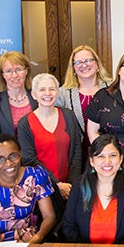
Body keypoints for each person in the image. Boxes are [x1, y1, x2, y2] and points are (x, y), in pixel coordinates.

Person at [0, 134, 56, 243]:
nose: (9, 163)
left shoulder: (35, 175)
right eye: (0, 159)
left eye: (13, 156)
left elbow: (49, 216)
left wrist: (37, 238)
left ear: (20, 154)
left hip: (30, 240)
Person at [61, 134, 124, 244]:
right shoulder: (79, 186)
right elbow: (69, 227)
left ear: (121, 158)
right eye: (100, 156)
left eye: (113, 155)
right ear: (92, 161)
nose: (107, 162)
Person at [18, 73, 82, 201]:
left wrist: (70, 185)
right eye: (42, 89)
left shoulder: (68, 116)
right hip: (41, 188)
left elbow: (77, 151)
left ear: (57, 92)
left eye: (52, 89)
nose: (47, 93)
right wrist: (57, 184)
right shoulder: (25, 123)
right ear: (34, 94)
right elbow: (29, 159)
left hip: (70, 187)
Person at [56, 45, 111, 166]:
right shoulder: (62, 93)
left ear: (97, 64)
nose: (84, 65)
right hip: (77, 156)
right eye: (78, 62)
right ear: (73, 68)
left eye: (88, 60)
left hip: (108, 154)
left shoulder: (113, 88)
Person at [0, 51, 37, 140]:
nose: (14, 75)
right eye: (8, 71)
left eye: (19, 69)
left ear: (26, 71)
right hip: (9, 152)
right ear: (2, 74)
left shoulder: (37, 96)